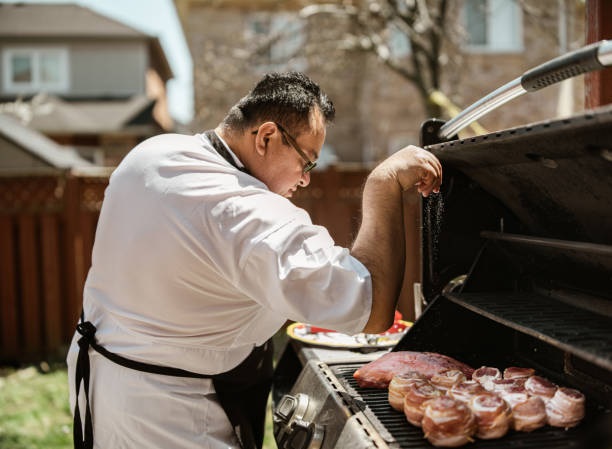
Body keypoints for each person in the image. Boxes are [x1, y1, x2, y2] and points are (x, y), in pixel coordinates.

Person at [67, 71, 442, 449]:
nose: (306, 180)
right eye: (307, 162)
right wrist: (383, 184)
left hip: (105, 377)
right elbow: (373, 307)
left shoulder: (154, 152)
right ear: (266, 137)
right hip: (170, 416)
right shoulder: (242, 211)